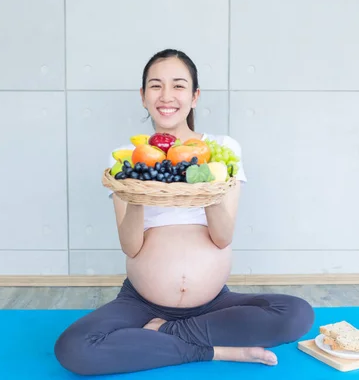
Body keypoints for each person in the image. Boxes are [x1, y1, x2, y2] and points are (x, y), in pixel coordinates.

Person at [53, 49, 315, 376]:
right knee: (73, 347)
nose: (167, 96)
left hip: (212, 304)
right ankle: (214, 351)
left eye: (178, 86)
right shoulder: (125, 156)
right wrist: (136, 189)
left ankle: (164, 335)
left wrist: (205, 182)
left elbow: (222, 238)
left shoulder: (223, 149)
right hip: (142, 302)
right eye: (155, 86)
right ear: (143, 96)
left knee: (296, 313)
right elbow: (131, 246)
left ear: (194, 97)